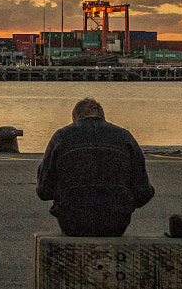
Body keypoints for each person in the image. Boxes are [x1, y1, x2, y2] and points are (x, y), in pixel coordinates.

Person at [36, 97, 154, 237]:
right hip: (116, 221)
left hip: (72, 221)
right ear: (102, 116)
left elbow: (43, 191)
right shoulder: (124, 136)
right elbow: (143, 192)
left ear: (75, 117)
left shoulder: (61, 136)